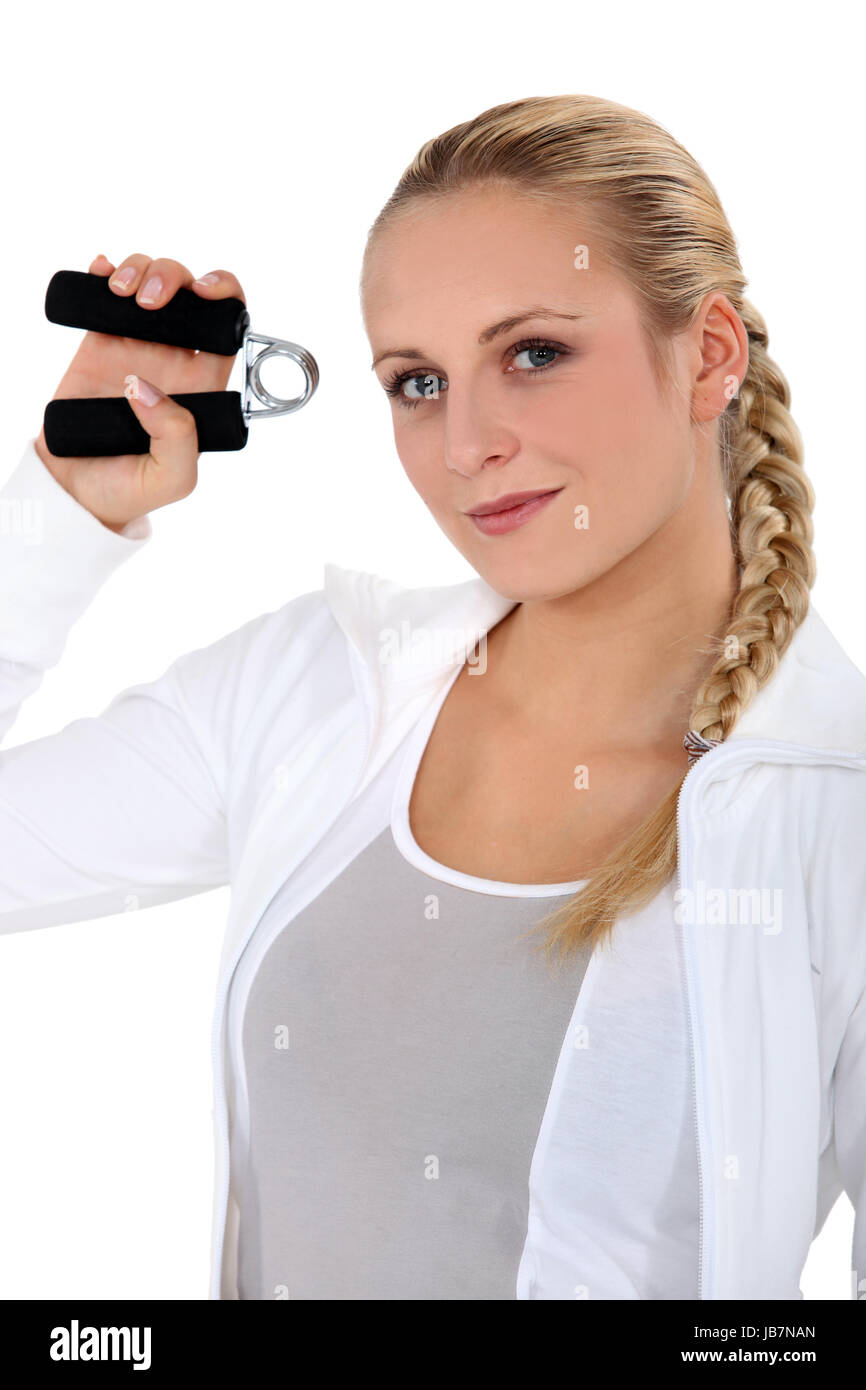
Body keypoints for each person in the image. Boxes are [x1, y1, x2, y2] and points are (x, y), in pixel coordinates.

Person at [2, 93, 865, 1302]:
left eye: (532, 354)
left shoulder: (833, 814)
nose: (465, 442)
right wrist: (64, 502)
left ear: (707, 354)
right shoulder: (314, 690)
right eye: (416, 382)